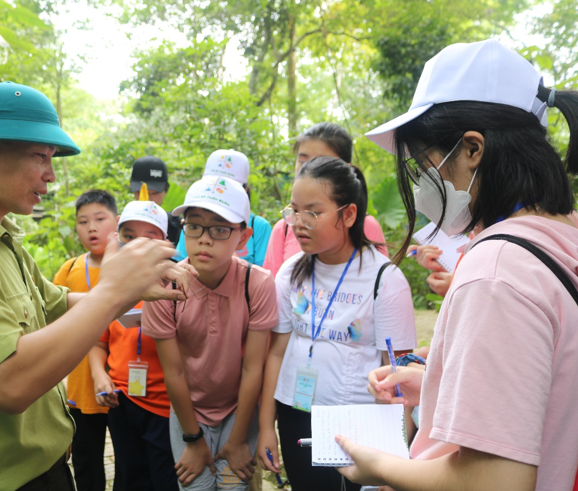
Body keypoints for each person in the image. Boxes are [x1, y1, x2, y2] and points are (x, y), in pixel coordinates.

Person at [0, 82, 192, 491]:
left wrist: (134, 289)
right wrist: (112, 293)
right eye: (40, 156)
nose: (50, 174)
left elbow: (57, 303)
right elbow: (8, 385)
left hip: (45, 470)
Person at [335, 39, 578, 491]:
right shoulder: (563, 238)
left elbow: (497, 480)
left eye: (421, 165)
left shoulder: (497, 271)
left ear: (472, 149)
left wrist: (380, 466)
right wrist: (437, 383)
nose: (419, 185)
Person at [256, 156, 417, 491]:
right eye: (294, 211)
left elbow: (399, 374)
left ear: (349, 214)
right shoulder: (291, 271)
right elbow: (276, 352)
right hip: (296, 413)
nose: (298, 223)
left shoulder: (385, 280)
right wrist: (266, 425)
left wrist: (397, 456)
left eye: (312, 213)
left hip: (357, 423)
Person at [142, 176, 279, 490]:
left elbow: (253, 367)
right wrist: (193, 440)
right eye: (194, 226)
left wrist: (239, 439)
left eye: (219, 229)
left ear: (243, 237)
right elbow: (174, 371)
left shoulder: (257, 284)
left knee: (234, 486)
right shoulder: (163, 287)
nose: (204, 239)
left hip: (239, 409)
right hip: (187, 412)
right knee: (196, 486)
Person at [90, 199, 179, 491]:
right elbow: (98, 341)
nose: (138, 245)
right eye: (129, 236)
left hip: (166, 407)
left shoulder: (178, 285)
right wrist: (99, 375)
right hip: (121, 401)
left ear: (166, 243)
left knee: (165, 481)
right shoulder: (112, 286)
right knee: (128, 478)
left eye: (149, 238)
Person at [52, 189, 119, 491]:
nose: (91, 228)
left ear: (116, 221)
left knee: (130, 462)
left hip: (123, 385)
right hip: (80, 387)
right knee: (86, 462)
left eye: (100, 219)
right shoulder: (69, 270)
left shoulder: (129, 267)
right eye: (83, 222)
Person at [263, 123, 389, 277]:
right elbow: (274, 286)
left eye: (321, 162)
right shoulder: (283, 229)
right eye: (303, 161)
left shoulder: (367, 226)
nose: (310, 169)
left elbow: (380, 279)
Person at [173, 150, 272, 266]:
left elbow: (264, 269)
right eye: (212, 183)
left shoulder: (259, 226)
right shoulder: (192, 222)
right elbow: (180, 262)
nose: (218, 190)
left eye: (220, 230)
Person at [130, 156, 182, 246]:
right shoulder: (123, 224)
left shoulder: (178, 227)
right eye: (142, 193)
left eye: (154, 193)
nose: (148, 199)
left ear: (166, 190)